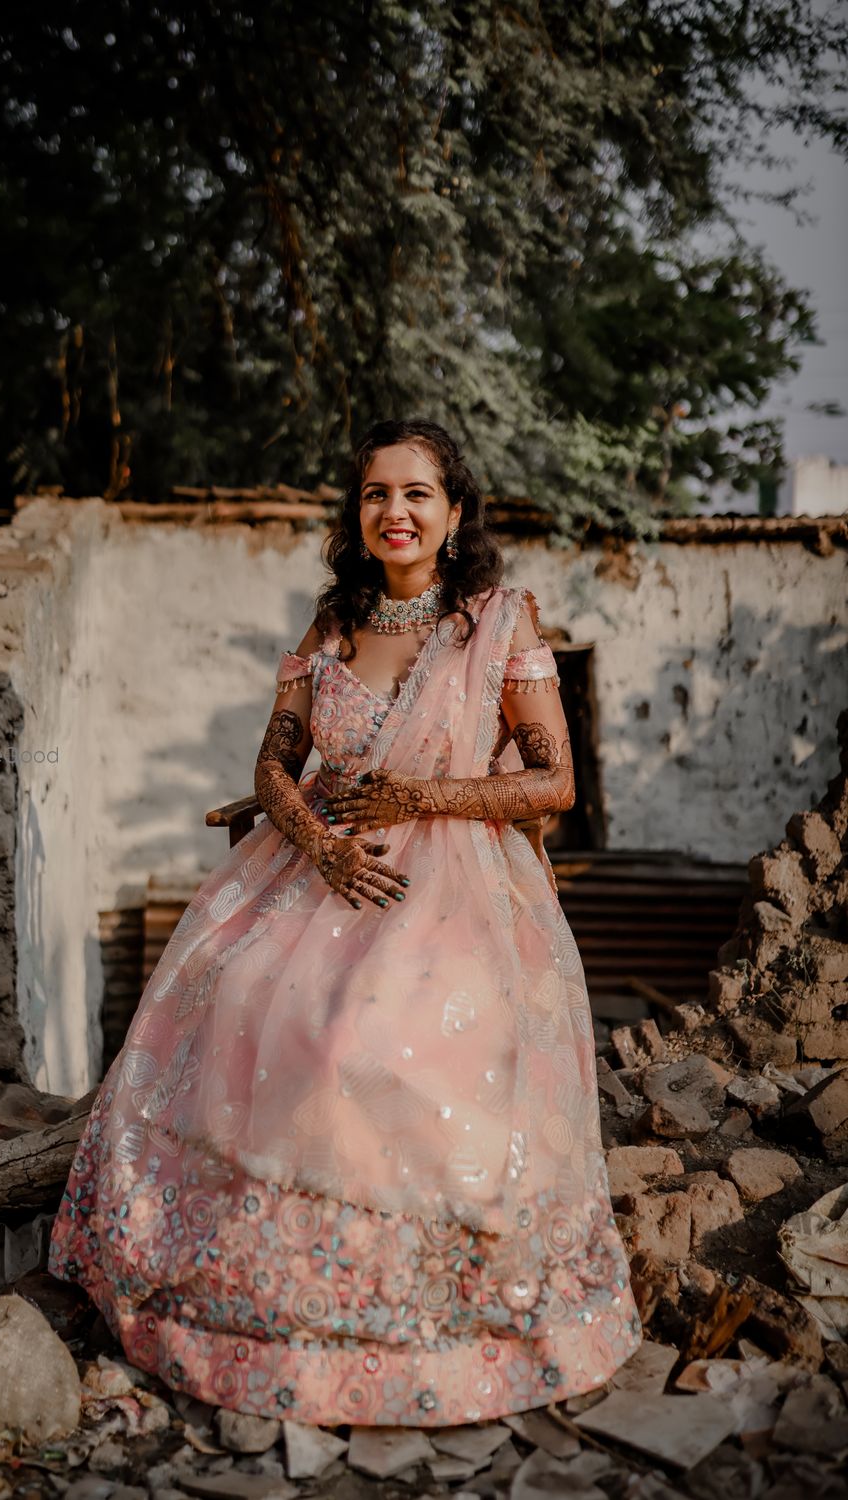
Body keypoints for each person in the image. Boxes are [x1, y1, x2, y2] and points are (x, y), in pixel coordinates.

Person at [48, 417, 642, 1427]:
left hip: (452, 888)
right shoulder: (332, 624)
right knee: (243, 1003)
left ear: (454, 513)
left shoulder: (499, 621)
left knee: (361, 1046)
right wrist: (316, 845)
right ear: (356, 512)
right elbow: (272, 766)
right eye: (375, 494)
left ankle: (445, 1315)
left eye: (416, 494)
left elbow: (555, 783)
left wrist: (424, 797)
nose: (394, 512)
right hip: (313, 868)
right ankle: (239, 1299)